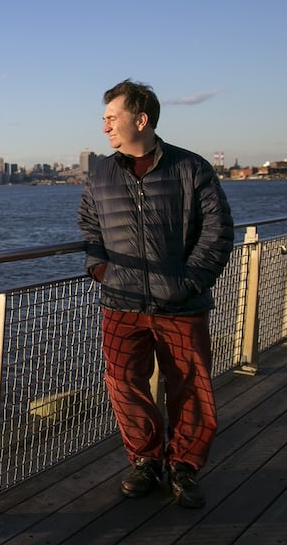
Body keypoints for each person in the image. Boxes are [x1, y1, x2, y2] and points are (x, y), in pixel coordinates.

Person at [77, 79, 234, 508]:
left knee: (190, 385)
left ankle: (184, 465)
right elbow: (90, 227)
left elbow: (218, 231)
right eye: (104, 118)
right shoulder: (100, 172)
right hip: (121, 303)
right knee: (123, 382)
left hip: (180, 303)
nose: (105, 126)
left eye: (112, 117)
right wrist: (101, 269)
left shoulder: (190, 167)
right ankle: (145, 459)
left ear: (140, 119)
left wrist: (189, 281)